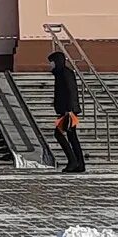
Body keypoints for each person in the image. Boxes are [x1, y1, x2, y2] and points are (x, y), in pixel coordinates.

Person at [47, 46, 87, 174]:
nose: (50, 65)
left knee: (59, 134)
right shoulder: (61, 73)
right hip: (67, 110)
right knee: (72, 136)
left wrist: (69, 110)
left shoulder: (64, 73)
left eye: (52, 62)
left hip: (68, 111)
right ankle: (79, 163)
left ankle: (73, 161)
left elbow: (70, 91)